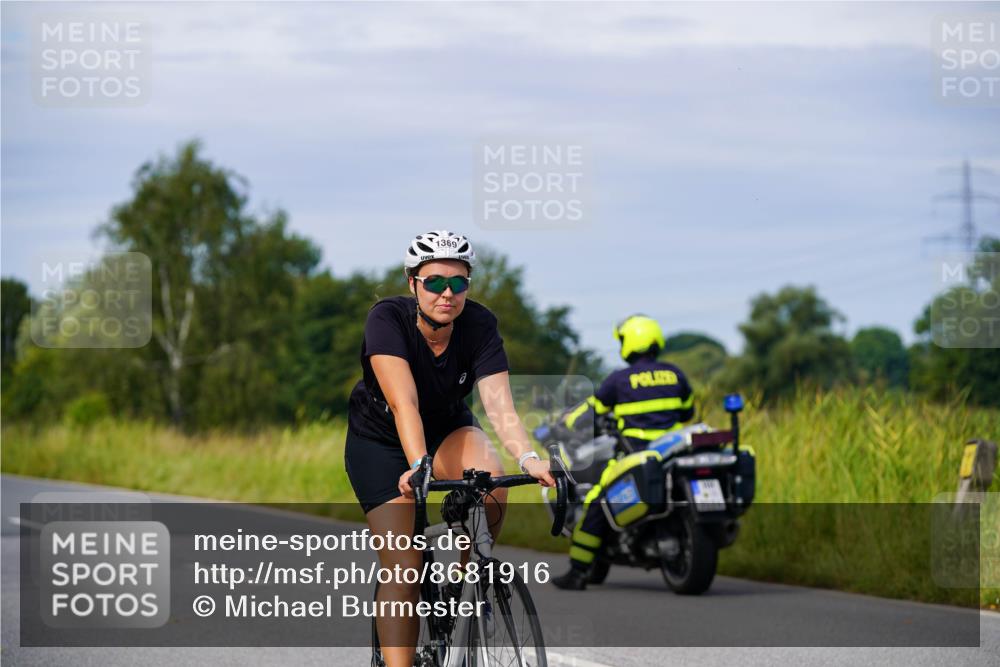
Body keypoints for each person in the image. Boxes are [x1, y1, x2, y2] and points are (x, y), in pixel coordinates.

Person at [344, 229, 555, 667]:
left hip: (448, 430)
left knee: (493, 485)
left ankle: (464, 587)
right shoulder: (386, 319)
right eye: (435, 281)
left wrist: (530, 459)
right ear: (412, 284)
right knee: (405, 563)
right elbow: (405, 403)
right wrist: (418, 464)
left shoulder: (479, 325)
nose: (447, 293)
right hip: (381, 440)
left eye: (458, 283)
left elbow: (499, 407)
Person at [551, 314, 694, 590]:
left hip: (636, 455)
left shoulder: (620, 379)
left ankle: (579, 571)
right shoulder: (675, 374)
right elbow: (688, 412)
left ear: (629, 343)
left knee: (596, 501)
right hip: (673, 452)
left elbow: (591, 412)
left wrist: (564, 423)